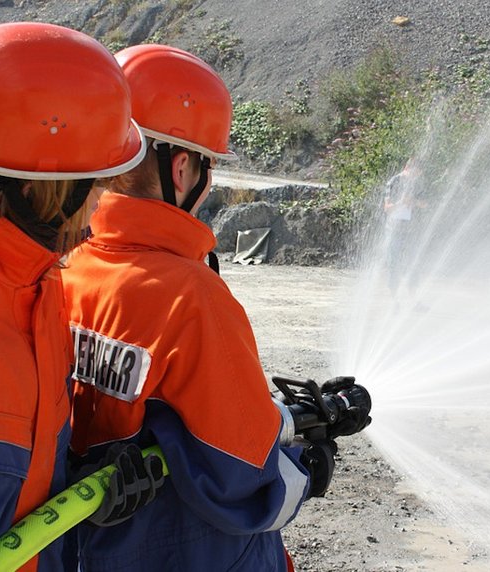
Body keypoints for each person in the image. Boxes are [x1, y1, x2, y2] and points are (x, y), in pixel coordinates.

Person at [62, 44, 331, 571]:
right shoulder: (192, 297)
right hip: (190, 551)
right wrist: (309, 468)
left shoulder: (65, 263)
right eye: (207, 165)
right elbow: (242, 476)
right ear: (181, 167)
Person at [0, 22, 159, 570]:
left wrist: (80, 488)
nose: (103, 201)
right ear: (38, 184)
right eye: (97, 183)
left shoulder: (37, 277)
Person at [383, 158, 425, 297]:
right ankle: (393, 300)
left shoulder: (416, 184)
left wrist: (413, 201)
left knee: (414, 263)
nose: (415, 177)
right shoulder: (394, 182)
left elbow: (425, 204)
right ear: (407, 168)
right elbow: (387, 209)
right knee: (393, 263)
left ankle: (413, 299)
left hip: (411, 230)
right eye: (414, 173)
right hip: (394, 230)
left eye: (417, 175)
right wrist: (400, 203)